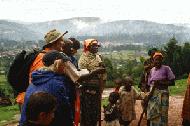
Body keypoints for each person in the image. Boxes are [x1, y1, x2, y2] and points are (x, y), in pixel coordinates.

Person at [20, 50, 105, 126]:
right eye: (65, 64)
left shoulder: (35, 80)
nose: (66, 67)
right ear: (59, 63)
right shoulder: (56, 84)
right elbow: (65, 112)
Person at [16, 29, 68, 111]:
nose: (63, 43)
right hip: (33, 103)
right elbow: (38, 83)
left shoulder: (48, 57)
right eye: (61, 40)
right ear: (54, 43)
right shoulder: (43, 59)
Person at [78, 39, 107, 126]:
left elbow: (102, 74)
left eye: (97, 46)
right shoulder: (83, 59)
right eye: (93, 45)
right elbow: (82, 76)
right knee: (87, 114)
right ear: (88, 47)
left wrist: (101, 87)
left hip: (97, 89)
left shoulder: (98, 57)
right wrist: (96, 72)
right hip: (87, 90)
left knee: (95, 113)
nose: (96, 47)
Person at [147, 52, 175, 126]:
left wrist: (161, 82)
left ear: (162, 60)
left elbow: (172, 82)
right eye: (156, 60)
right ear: (153, 61)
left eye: (159, 60)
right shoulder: (152, 70)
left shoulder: (166, 68)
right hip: (153, 93)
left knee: (163, 113)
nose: (157, 61)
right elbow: (150, 84)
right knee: (153, 112)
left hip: (163, 94)